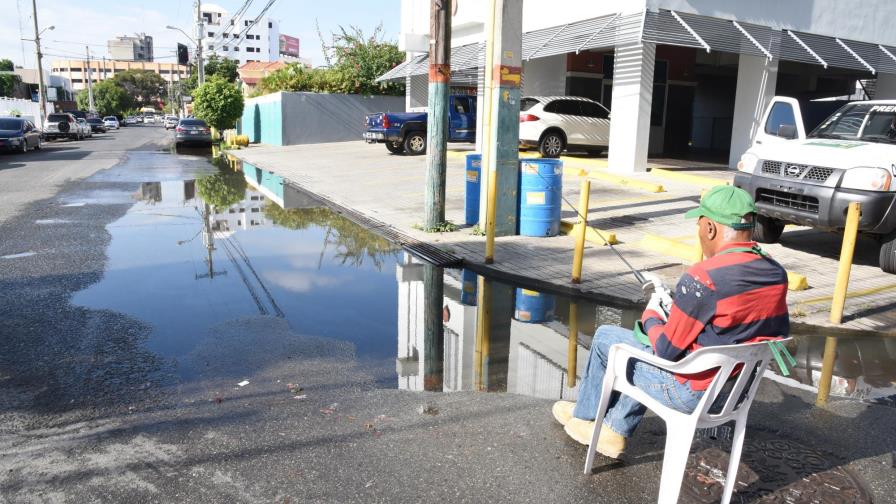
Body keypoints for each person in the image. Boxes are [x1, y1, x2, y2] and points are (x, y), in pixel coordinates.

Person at [552, 185, 789, 458]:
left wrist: (653, 314)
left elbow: (667, 349)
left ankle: (588, 417)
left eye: (699, 225)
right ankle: (612, 424)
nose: (699, 233)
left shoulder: (703, 277)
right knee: (645, 349)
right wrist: (678, 309)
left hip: (693, 395)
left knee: (608, 336)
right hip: (735, 393)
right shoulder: (775, 272)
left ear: (710, 228)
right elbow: (750, 326)